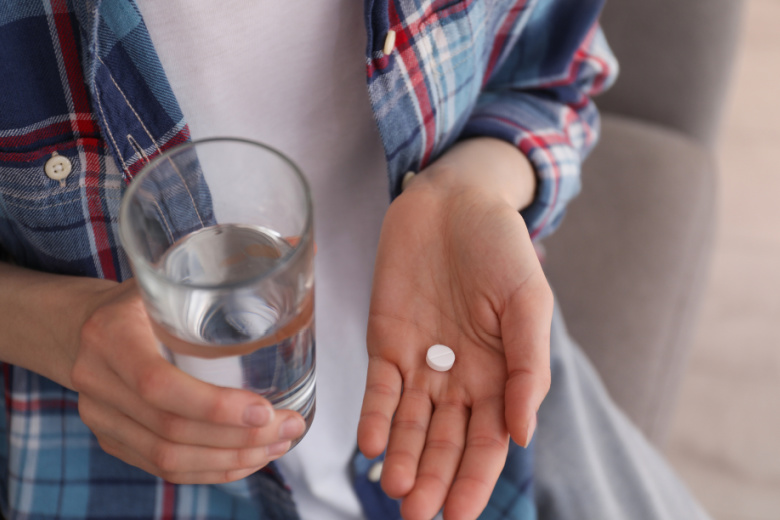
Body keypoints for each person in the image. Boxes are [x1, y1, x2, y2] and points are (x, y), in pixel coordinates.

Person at [0, 1, 711, 519]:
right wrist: (60, 330)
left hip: (463, 390)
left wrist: (472, 188)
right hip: (98, 465)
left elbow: (557, 74)